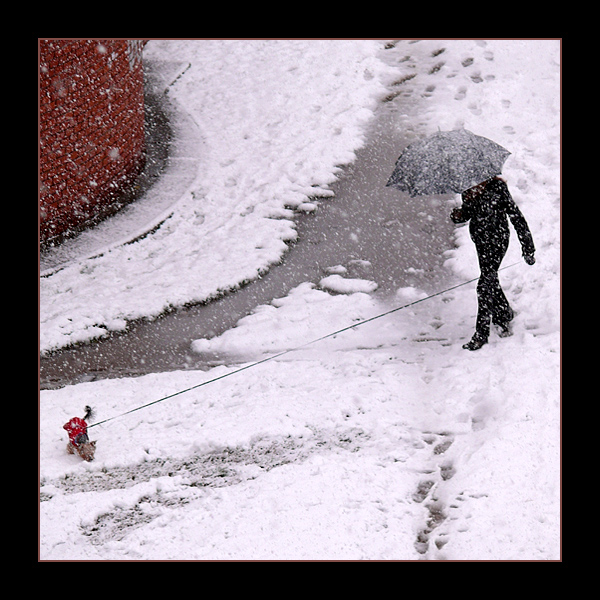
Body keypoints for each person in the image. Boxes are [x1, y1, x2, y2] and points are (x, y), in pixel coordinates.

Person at [450, 176, 535, 350]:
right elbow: (467, 214)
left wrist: (528, 247)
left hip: (498, 240)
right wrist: (457, 215)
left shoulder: (497, 187)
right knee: (490, 280)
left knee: (484, 285)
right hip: (480, 241)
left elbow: (516, 216)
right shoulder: (468, 189)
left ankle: (481, 334)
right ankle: (504, 314)